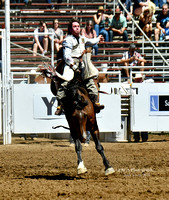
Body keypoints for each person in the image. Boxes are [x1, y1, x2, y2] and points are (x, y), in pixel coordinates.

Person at [55, 18, 104, 115]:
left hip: (81, 63)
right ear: (70, 29)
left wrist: (98, 38)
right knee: (66, 82)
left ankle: (95, 102)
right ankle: (60, 104)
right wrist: (73, 66)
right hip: (71, 63)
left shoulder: (82, 38)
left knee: (90, 80)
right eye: (74, 26)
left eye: (78, 26)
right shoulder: (68, 40)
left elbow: (91, 41)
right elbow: (67, 56)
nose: (77, 28)